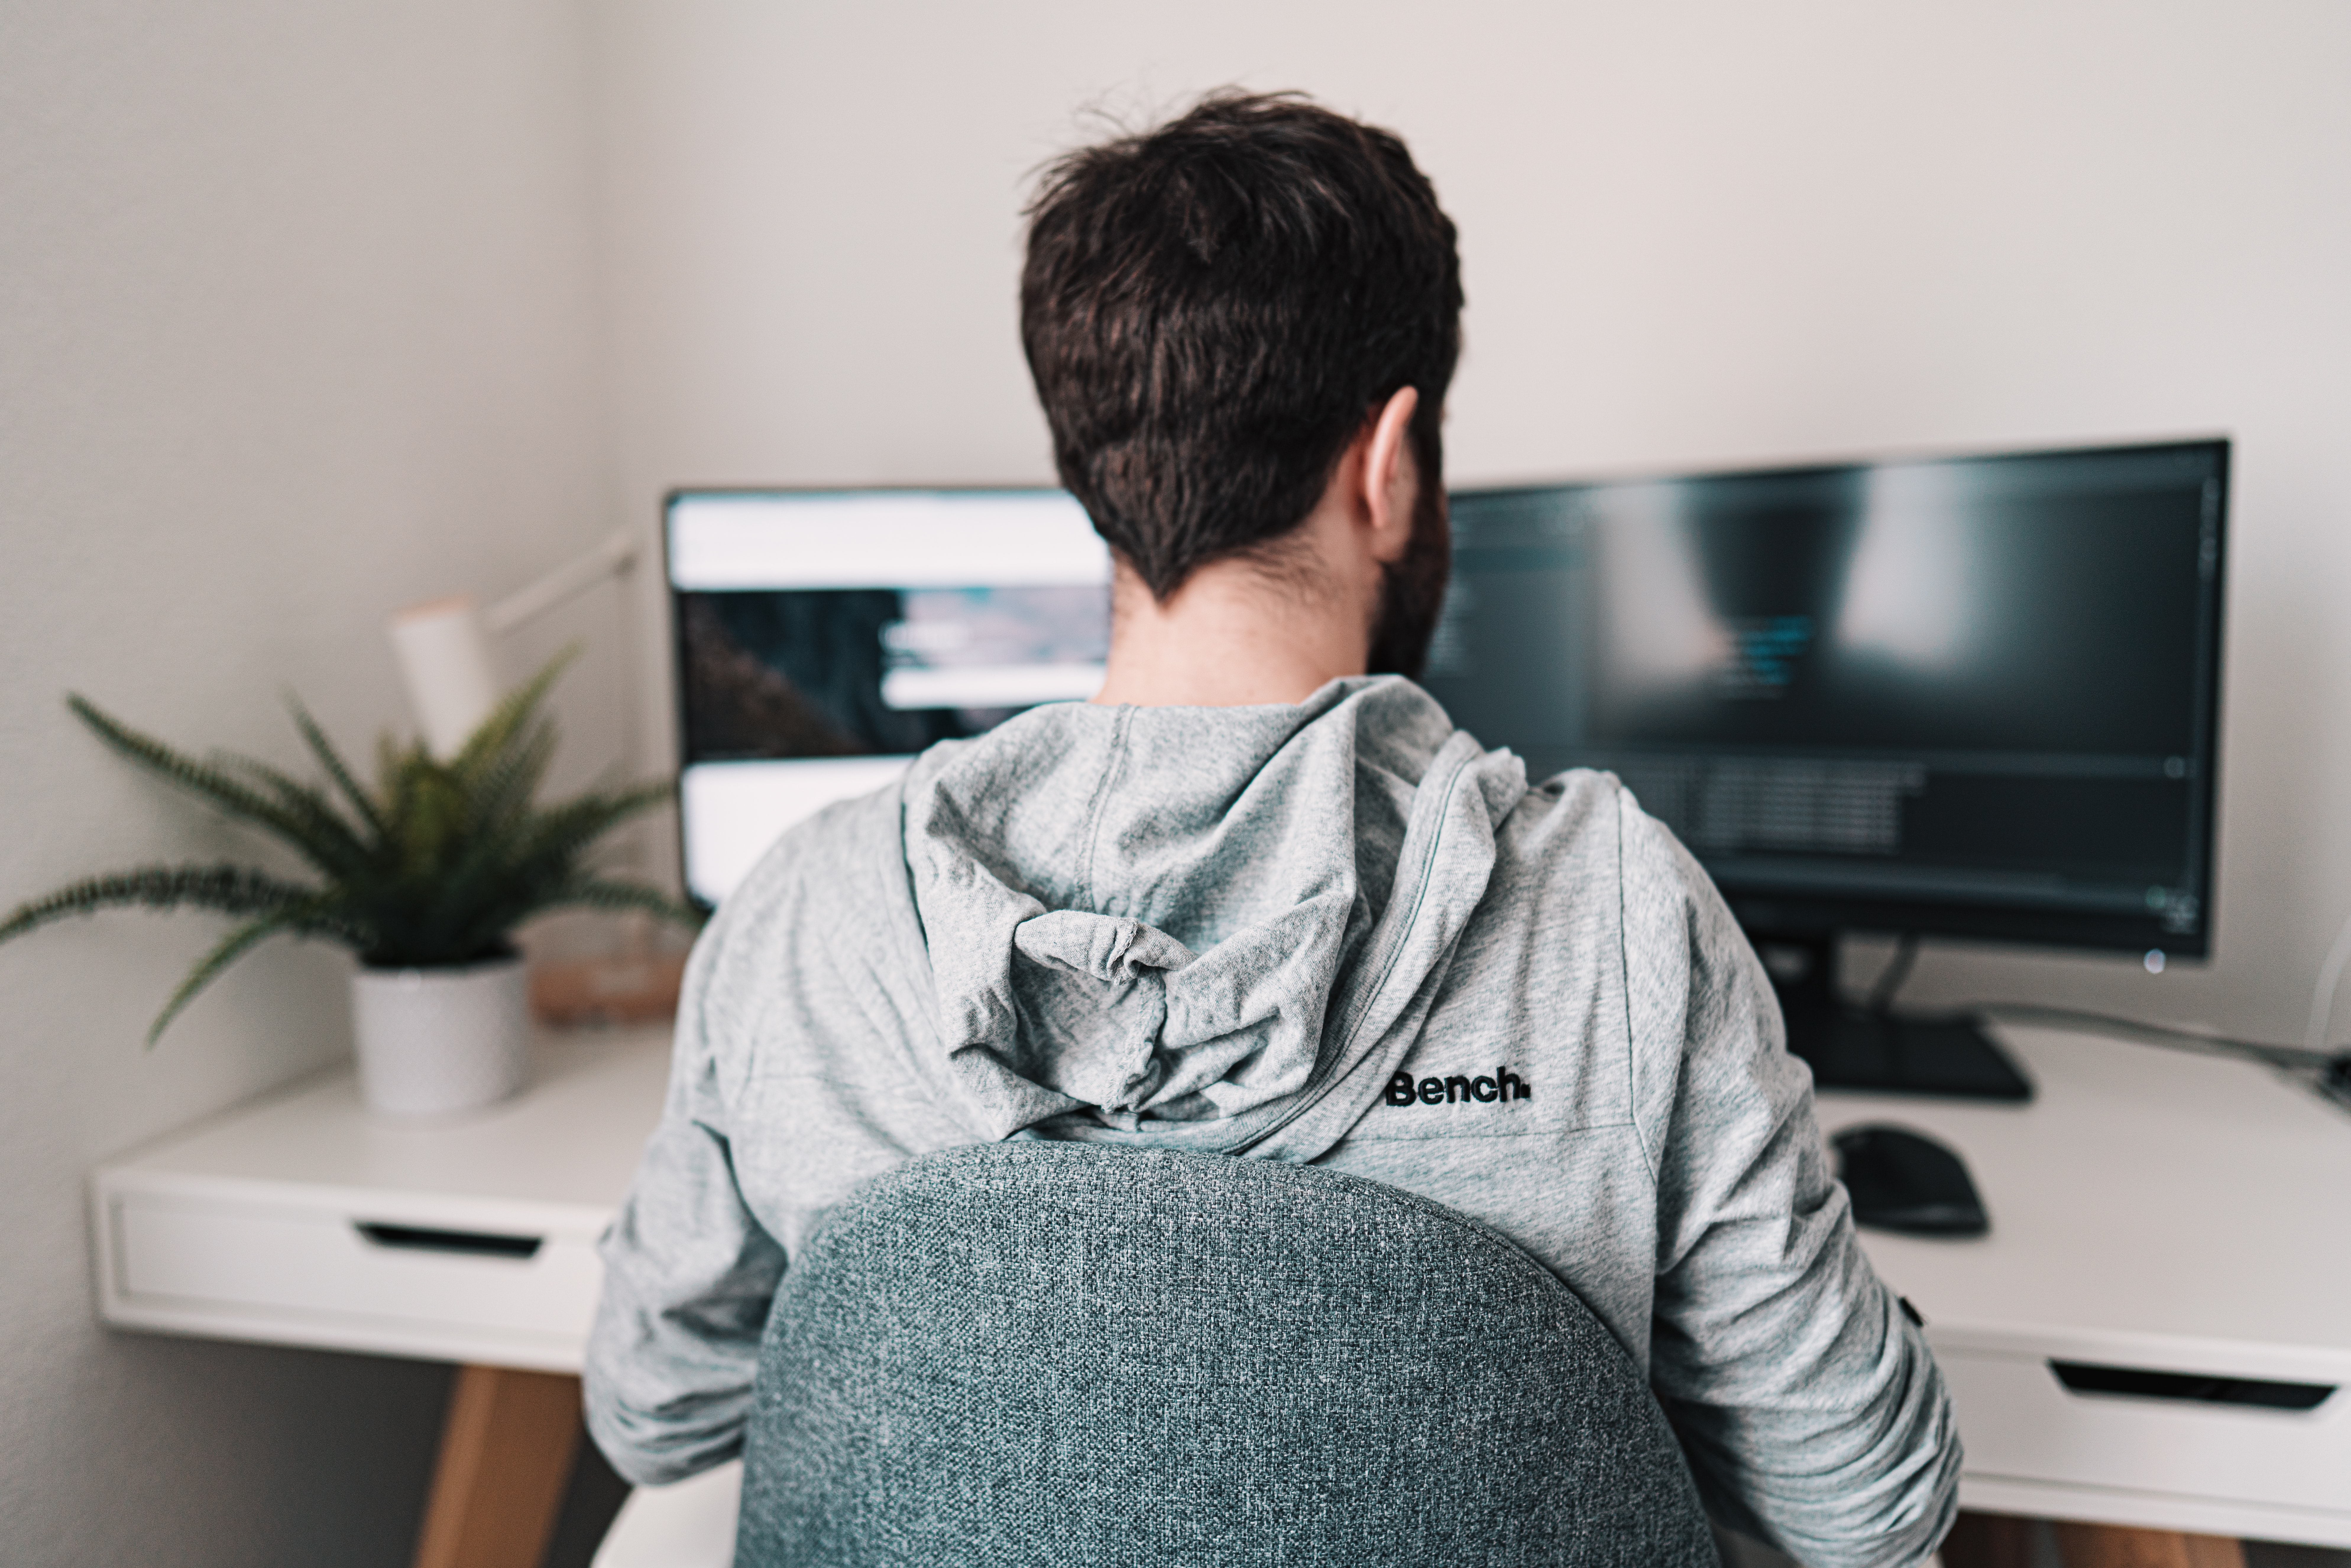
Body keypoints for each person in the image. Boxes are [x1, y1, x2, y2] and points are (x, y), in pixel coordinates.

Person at [585, 90, 1960, 1567]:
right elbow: (1861, 1507)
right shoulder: (1606, 914)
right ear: (1387, 466)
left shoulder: (803, 915)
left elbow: (654, 1413)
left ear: (1092, 476)